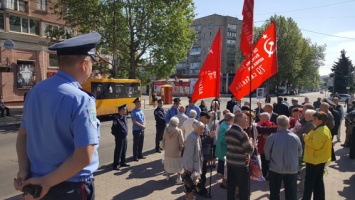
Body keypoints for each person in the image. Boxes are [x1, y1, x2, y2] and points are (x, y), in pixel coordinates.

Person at [14, 33, 101, 199]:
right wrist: (46, 182)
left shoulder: (35, 92)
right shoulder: (81, 99)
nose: (91, 71)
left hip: (35, 184)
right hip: (70, 187)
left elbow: (22, 137)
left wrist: (24, 170)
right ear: (84, 64)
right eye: (92, 65)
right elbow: (84, 156)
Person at [264, 115, 302, 200]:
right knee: (291, 193)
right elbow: (299, 153)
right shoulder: (296, 137)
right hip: (292, 168)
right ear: (288, 124)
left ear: (277, 124)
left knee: (274, 193)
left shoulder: (272, 137)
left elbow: (267, 152)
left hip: (276, 168)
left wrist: (269, 160)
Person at [302, 111, 332, 200]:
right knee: (318, 181)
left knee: (309, 183)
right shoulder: (324, 128)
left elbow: (315, 145)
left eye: (315, 119)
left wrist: (305, 138)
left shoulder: (319, 131)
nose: (313, 121)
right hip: (320, 158)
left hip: (314, 159)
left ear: (320, 121)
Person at [225, 113, 254, 200]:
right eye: (246, 120)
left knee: (231, 186)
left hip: (230, 162)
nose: (247, 122)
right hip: (240, 164)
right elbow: (249, 150)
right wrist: (251, 142)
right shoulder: (242, 133)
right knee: (243, 187)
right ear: (240, 121)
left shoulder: (228, 131)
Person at [182, 121, 204, 200]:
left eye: (203, 129)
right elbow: (189, 153)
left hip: (195, 163)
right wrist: (190, 166)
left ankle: (188, 196)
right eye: (200, 129)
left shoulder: (197, 135)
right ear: (196, 128)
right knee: (191, 182)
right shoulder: (192, 137)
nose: (202, 131)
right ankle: (190, 197)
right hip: (192, 165)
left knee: (190, 181)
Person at [161, 117, 184, 184]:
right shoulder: (179, 131)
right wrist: (181, 148)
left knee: (168, 163)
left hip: (168, 151)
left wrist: (164, 147)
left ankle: (168, 176)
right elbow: (181, 142)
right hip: (176, 151)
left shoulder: (166, 129)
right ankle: (178, 178)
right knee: (178, 165)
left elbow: (163, 139)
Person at [198, 111, 216, 197]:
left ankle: (200, 188)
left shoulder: (205, 125)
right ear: (202, 117)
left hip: (205, 153)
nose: (209, 120)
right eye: (208, 118)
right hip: (201, 154)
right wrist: (210, 136)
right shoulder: (200, 126)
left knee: (203, 172)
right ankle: (201, 189)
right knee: (202, 173)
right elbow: (200, 141)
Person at [215, 113, 234, 189]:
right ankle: (224, 183)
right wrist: (231, 140)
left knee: (225, 168)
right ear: (230, 119)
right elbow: (222, 139)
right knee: (225, 168)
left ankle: (224, 182)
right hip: (223, 150)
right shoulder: (224, 126)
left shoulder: (225, 124)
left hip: (224, 150)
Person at [256, 112, 278, 180]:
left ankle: (264, 174)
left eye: (261, 117)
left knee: (264, 161)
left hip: (263, 146)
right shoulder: (273, 124)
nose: (259, 118)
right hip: (271, 147)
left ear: (265, 118)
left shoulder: (262, 125)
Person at [112, 104, 130, 170]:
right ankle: (116, 164)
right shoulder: (116, 119)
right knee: (118, 150)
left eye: (125, 109)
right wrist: (118, 136)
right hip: (119, 137)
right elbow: (113, 130)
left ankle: (123, 162)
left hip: (124, 136)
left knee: (124, 149)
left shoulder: (124, 117)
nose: (125, 110)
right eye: (124, 109)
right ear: (120, 110)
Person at [131, 97, 146, 161]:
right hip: (136, 130)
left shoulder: (141, 110)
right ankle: (135, 156)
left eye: (140, 102)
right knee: (136, 144)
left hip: (142, 129)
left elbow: (144, 119)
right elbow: (134, 121)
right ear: (136, 104)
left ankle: (140, 155)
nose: (140, 104)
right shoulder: (133, 112)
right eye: (139, 103)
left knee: (141, 143)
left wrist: (144, 125)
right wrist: (141, 126)